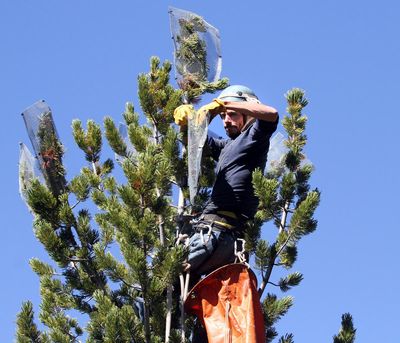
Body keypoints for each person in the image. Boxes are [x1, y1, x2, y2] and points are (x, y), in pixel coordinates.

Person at [175, 85, 279, 279]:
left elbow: (271, 114)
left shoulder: (255, 137)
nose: (225, 121)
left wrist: (224, 104)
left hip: (217, 233)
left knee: (164, 279)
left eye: (232, 115)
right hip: (219, 237)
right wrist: (187, 124)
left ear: (248, 114)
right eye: (223, 117)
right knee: (182, 296)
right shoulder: (226, 146)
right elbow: (199, 141)